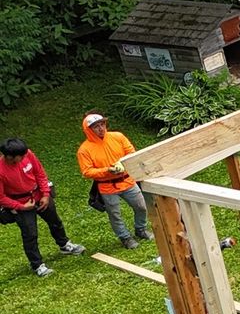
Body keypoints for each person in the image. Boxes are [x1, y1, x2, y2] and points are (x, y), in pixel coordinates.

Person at [0, 138, 85, 277]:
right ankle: (37, 265)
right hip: (20, 202)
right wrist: (21, 207)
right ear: (9, 156)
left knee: (55, 221)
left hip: (38, 194)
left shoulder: (27, 154)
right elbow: (1, 197)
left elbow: (40, 173)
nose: (23, 158)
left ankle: (65, 245)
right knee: (30, 234)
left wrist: (45, 194)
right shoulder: (1, 170)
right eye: (19, 156)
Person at [77, 112, 148, 249]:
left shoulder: (118, 137)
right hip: (107, 186)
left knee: (141, 206)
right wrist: (107, 171)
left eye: (102, 124)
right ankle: (125, 237)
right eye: (96, 126)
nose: (101, 128)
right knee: (115, 215)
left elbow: (131, 152)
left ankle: (141, 229)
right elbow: (87, 171)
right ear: (88, 130)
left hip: (127, 181)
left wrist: (122, 163)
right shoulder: (84, 150)